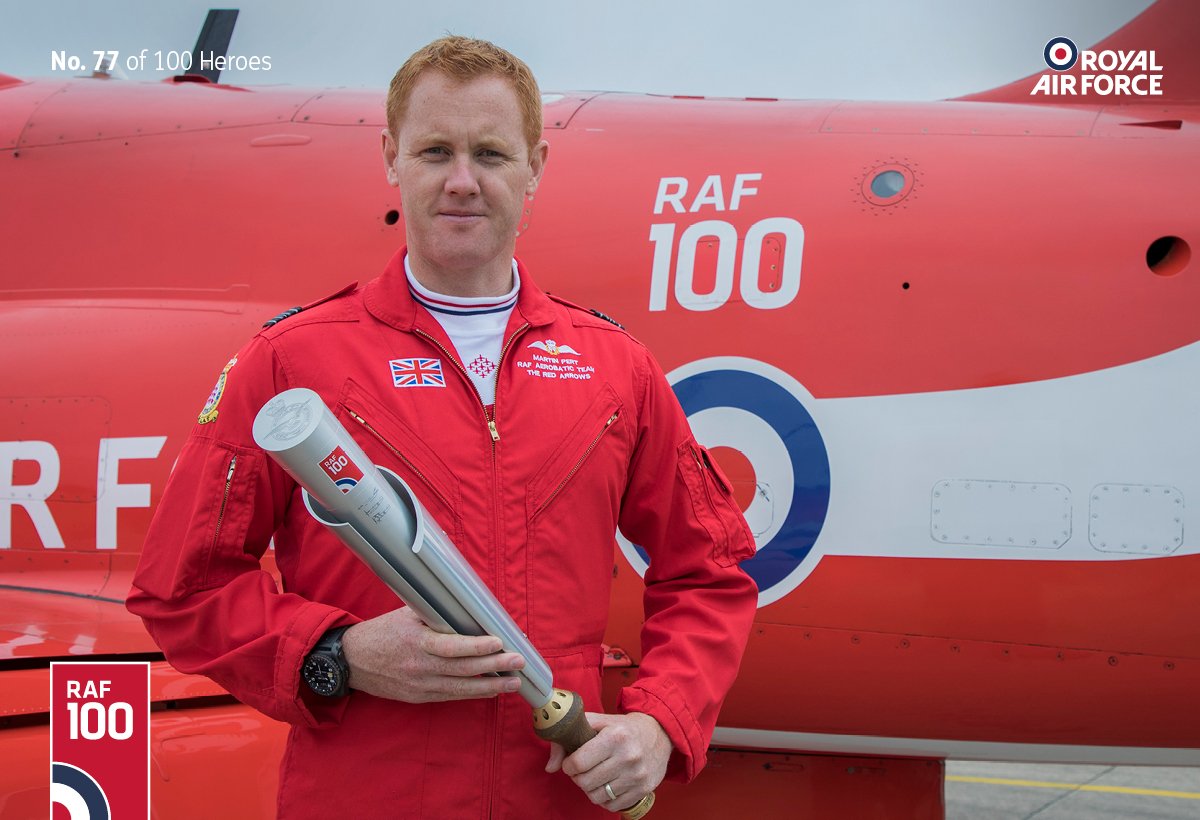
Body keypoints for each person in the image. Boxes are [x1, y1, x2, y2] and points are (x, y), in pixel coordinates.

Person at [128, 36, 758, 819]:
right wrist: (338, 655)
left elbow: (710, 572)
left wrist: (661, 721)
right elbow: (180, 590)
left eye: (491, 153)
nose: (463, 181)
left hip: (552, 798)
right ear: (392, 159)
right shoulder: (289, 362)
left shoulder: (616, 368)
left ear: (536, 167)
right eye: (435, 150)